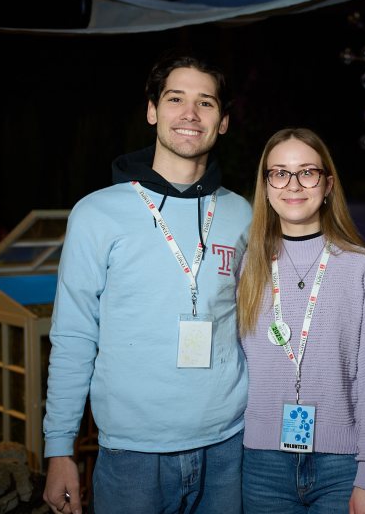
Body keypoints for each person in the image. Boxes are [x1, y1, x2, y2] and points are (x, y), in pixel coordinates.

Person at [42, 52, 251, 514]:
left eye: (206, 103)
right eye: (175, 98)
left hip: (229, 448)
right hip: (132, 454)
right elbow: (75, 337)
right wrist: (59, 449)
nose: (190, 114)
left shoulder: (243, 214)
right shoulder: (96, 213)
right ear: (153, 110)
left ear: (224, 122)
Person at [237, 128, 365, 514]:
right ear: (266, 185)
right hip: (261, 465)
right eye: (279, 173)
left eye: (307, 172)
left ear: (327, 184)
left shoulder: (362, 268)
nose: (293, 184)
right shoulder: (249, 267)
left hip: (342, 466)